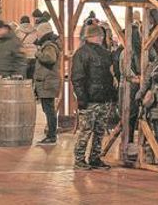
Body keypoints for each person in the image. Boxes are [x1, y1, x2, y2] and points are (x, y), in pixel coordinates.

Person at [71, 24, 117, 170]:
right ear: (97, 36)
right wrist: (82, 98)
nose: (101, 38)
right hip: (94, 99)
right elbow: (78, 78)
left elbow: (78, 78)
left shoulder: (88, 53)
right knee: (90, 131)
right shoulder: (84, 53)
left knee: (97, 131)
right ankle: (81, 159)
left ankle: (93, 158)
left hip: (98, 99)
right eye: (100, 35)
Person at [33, 27, 61, 144]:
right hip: (47, 81)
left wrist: (38, 53)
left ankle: (51, 135)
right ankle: (51, 134)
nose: (37, 35)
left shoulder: (49, 46)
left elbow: (50, 59)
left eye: (38, 33)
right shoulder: (50, 45)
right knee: (48, 109)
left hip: (47, 82)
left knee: (49, 109)